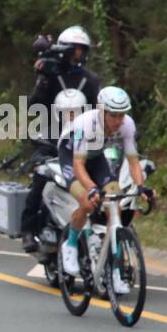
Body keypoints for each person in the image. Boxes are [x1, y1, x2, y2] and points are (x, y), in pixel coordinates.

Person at [57, 87, 151, 292]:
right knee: (87, 202)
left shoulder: (127, 126)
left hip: (96, 156)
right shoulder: (84, 124)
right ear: (102, 111)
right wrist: (91, 188)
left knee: (114, 204)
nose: (118, 121)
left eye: (122, 115)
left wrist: (141, 186)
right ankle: (70, 245)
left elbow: (133, 161)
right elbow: (79, 165)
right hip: (72, 155)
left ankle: (115, 271)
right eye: (114, 115)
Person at [21, 25, 102, 251]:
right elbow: (34, 107)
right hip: (51, 137)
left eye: (82, 50)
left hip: (83, 140)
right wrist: (42, 79)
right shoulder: (51, 75)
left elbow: (99, 110)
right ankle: (28, 230)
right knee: (39, 177)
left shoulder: (91, 80)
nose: (78, 55)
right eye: (74, 50)